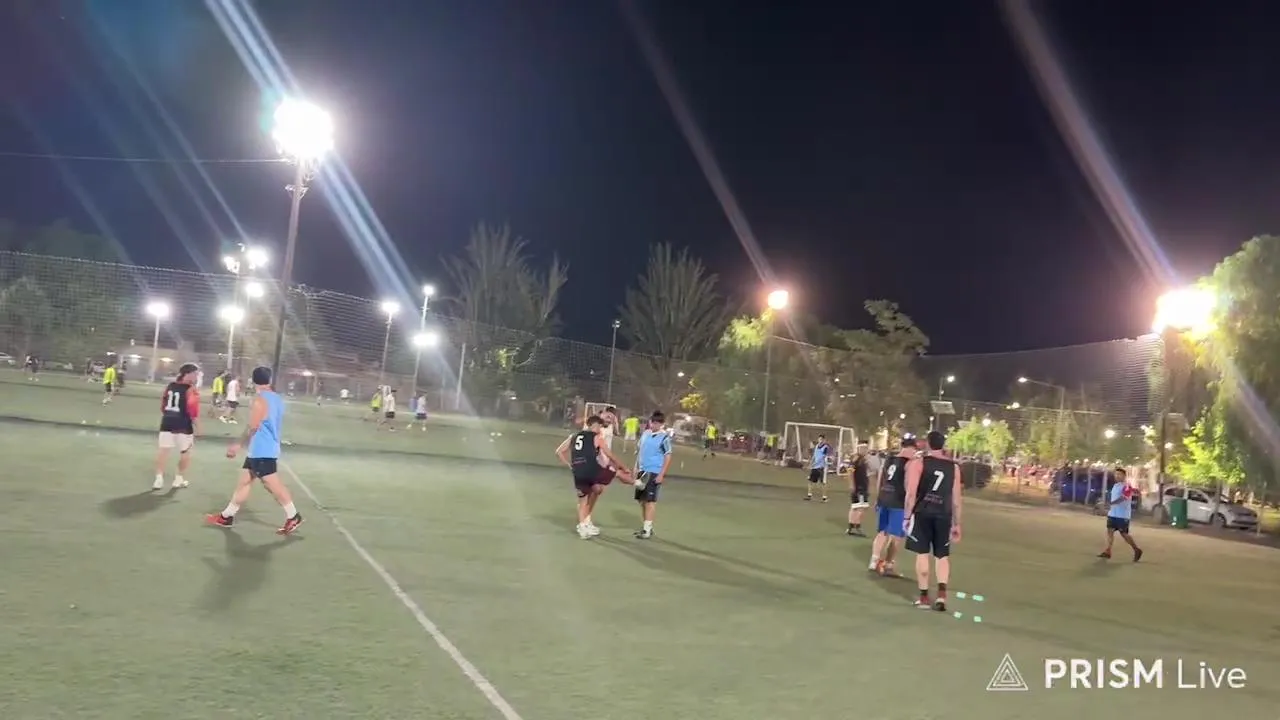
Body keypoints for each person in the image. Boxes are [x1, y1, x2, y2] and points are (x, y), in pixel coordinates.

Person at [205, 366, 303, 535]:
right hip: (264, 448)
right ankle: (226, 516)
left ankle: (293, 515)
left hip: (262, 450)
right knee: (244, 482)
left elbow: (253, 426)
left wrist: (238, 444)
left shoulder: (259, 400)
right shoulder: (277, 399)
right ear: (269, 380)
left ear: (253, 380)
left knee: (272, 484)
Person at [903, 430, 962, 611]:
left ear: (928, 443)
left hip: (922, 513)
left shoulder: (919, 463)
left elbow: (911, 493)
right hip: (943, 515)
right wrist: (957, 523)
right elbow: (956, 499)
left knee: (922, 554)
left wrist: (907, 516)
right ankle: (942, 596)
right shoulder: (954, 468)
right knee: (942, 555)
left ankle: (924, 597)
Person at [557, 414, 635, 538]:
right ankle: (637, 483)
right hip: (592, 470)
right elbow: (610, 455)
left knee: (590, 494)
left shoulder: (574, 436)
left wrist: (570, 465)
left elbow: (559, 451)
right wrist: (624, 467)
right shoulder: (596, 437)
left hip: (578, 471)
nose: (601, 429)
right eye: (600, 426)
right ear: (595, 425)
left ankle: (584, 525)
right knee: (614, 473)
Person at [868, 436, 918, 573]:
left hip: (884, 498)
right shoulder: (909, 463)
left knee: (882, 532)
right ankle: (888, 564)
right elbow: (909, 486)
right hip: (898, 502)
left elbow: (880, 479)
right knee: (896, 536)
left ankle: (874, 561)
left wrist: (879, 497)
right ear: (911, 448)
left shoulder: (889, 459)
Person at [154, 363, 202, 490]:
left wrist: (169, 415)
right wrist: (199, 428)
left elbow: (163, 406)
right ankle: (178, 479)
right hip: (183, 424)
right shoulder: (191, 390)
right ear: (188, 374)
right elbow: (193, 411)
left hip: (167, 422)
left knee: (163, 451)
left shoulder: (170, 386)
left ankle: (158, 479)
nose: (196, 377)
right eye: (195, 374)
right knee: (185, 452)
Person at [632, 411, 673, 539]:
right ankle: (647, 526)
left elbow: (668, 456)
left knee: (650, 501)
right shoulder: (645, 434)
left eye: (658, 423)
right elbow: (640, 451)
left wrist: (661, 474)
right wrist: (636, 466)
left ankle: (647, 529)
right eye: (653, 422)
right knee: (641, 500)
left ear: (662, 424)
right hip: (642, 471)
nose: (655, 425)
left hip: (654, 472)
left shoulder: (664, 438)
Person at [1099, 468, 1143, 562]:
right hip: (1112, 514)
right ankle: (1108, 551)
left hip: (1122, 515)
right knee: (1110, 531)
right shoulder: (1115, 486)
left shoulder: (1127, 486)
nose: (1117, 476)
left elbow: (1123, 498)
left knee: (1124, 534)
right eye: (1116, 474)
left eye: (1119, 474)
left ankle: (1136, 549)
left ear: (1124, 476)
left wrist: (1111, 504)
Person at [846, 445, 872, 535]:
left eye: (866, 449)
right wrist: (852, 484)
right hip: (859, 488)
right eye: (863, 449)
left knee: (855, 506)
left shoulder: (863, 460)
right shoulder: (856, 459)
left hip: (862, 487)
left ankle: (850, 526)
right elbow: (850, 471)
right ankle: (857, 526)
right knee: (861, 507)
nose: (865, 450)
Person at [804, 434, 831, 502]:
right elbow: (814, 456)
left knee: (823, 483)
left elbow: (823, 457)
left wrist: (814, 464)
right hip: (815, 467)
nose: (820, 440)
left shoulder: (825, 447)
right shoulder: (816, 446)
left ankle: (824, 498)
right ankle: (809, 496)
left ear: (824, 440)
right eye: (819, 439)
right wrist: (810, 463)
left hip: (821, 467)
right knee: (810, 481)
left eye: (821, 439)